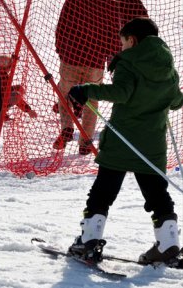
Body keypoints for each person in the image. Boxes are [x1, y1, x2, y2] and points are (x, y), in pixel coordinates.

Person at [66, 18, 183, 265]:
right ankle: (169, 245)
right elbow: (176, 101)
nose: (121, 48)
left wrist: (86, 89)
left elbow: (122, 93)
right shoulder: (168, 68)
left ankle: (88, 242)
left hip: (123, 141)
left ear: (133, 39)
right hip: (152, 145)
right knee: (157, 193)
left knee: (103, 191)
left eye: (123, 42)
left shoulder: (129, 62)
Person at [53, 0, 121, 155]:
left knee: (65, 94)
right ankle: (85, 142)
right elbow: (114, 38)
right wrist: (110, 60)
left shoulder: (73, 0)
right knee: (91, 101)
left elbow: (61, 28)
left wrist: (61, 52)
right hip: (94, 63)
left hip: (71, 60)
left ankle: (67, 127)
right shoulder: (111, 6)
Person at [0, 55, 37, 122]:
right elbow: (8, 92)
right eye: (9, 66)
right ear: (3, 66)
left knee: (18, 88)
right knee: (16, 95)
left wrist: (11, 61)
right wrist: (28, 110)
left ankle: (0, 113)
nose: (10, 68)